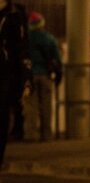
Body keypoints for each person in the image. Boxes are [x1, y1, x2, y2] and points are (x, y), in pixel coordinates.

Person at [0, 0, 32, 174]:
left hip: (5, 73)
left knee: (2, 119)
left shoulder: (15, 11)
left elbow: (22, 46)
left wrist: (26, 80)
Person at [24, 11, 62, 142]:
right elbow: (57, 58)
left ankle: (31, 135)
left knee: (31, 107)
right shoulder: (49, 38)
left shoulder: (26, 38)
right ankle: (47, 135)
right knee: (46, 106)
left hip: (29, 77)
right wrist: (58, 74)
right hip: (45, 75)